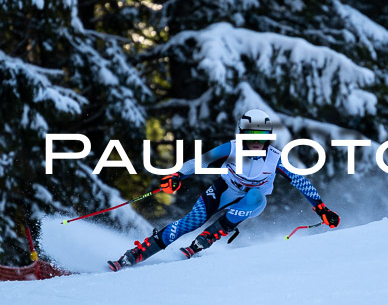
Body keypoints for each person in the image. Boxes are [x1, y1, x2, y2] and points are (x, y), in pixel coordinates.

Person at [108, 109, 339, 271]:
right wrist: (178, 176)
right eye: (251, 135)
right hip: (223, 189)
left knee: (256, 196)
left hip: (251, 202)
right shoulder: (232, 148)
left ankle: (211, 235)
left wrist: (322, 209)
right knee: (190, 222)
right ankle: (139, 253)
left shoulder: (275, 158)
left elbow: (300, 181)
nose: (256, 141)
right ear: (242, 134)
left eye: (261, 136)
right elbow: (201, 161)